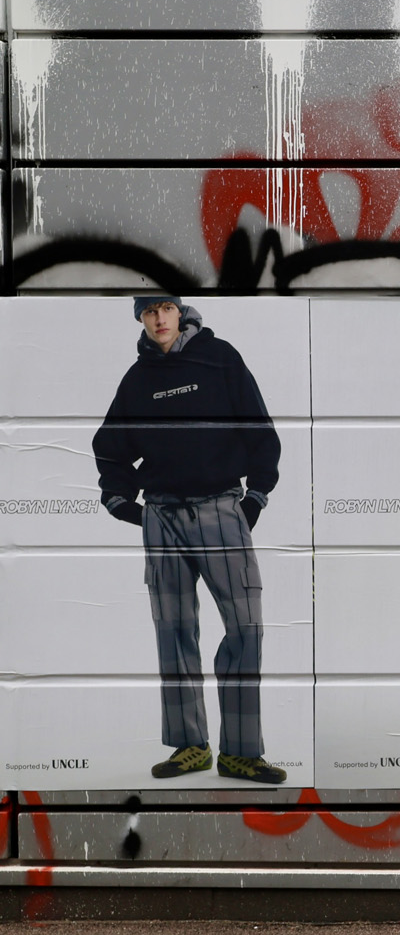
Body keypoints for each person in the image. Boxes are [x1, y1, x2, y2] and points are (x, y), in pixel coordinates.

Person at [94, 296, 285, 783]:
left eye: (164, 308)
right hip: (163, 517)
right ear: (140, 318)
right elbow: (109, 448)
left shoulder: (220, 358)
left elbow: (260, 430)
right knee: (174, 632)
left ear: (180, 311)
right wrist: (122, 503)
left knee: (246, 629)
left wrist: (255, 497)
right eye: (147, 312)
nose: (158, 319)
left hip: (222, 507)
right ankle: (190, 746)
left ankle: (241, 752)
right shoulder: (137, 382)